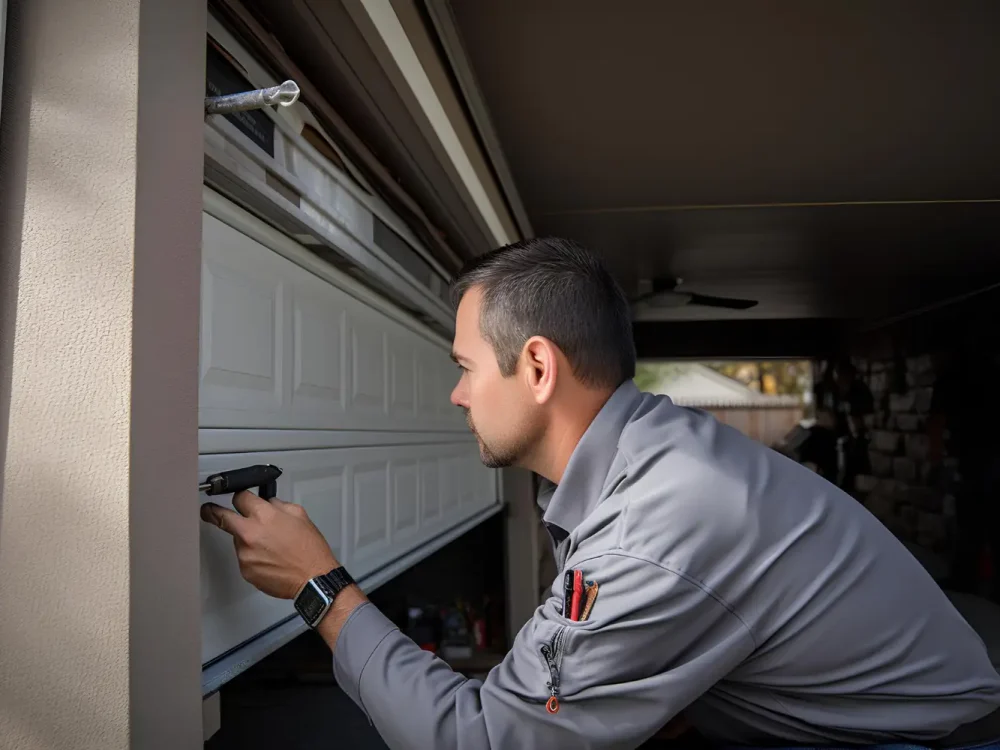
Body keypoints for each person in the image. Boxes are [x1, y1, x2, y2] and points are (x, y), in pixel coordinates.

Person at [201, 237, 1000, 750]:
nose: (456, 395)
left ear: (539, 368)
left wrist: (321, 589)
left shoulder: (658, 522)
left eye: (465, 367)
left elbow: (485, 744)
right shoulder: (649, 451)